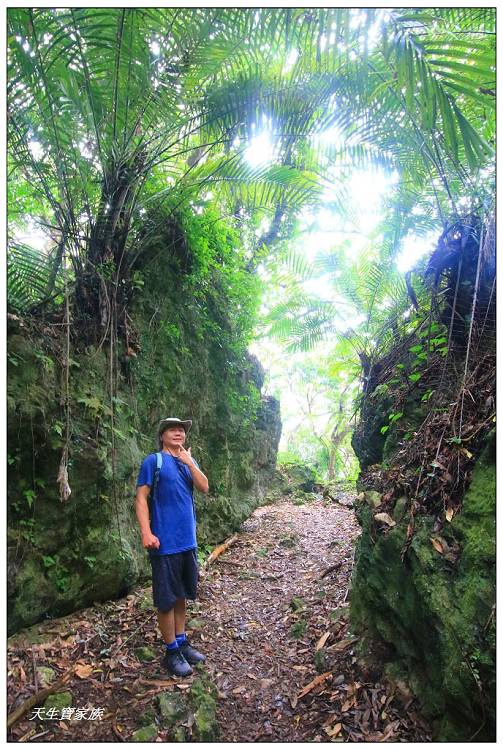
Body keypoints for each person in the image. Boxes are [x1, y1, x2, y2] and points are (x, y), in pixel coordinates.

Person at [135, 417, 209, 677]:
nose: (179, 433)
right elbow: (141, 498)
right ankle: (170, 651)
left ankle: (181, 641)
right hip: (164, 542)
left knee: (181, 596)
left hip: (187, 542)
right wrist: (146, 531)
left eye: (182, 430)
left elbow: (204, 486)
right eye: (173, 429)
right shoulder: (153, 462)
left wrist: (189, 461)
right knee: (166, 600)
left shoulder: (188, 461)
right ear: (162, 435)